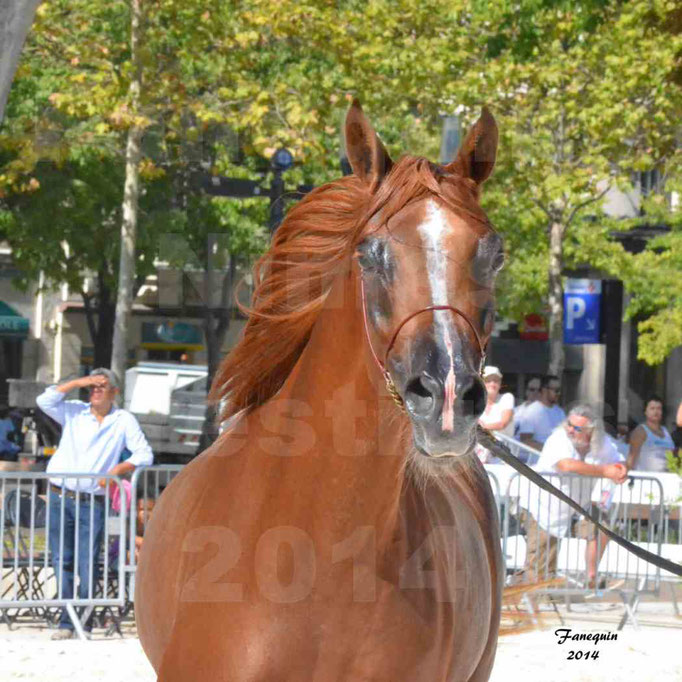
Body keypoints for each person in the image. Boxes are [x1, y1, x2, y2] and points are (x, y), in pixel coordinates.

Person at [36, 368, 153, 639]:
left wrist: (115, 471)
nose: (95, 391)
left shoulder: (123, 419)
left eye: (101, 387)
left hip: (93, 500)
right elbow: (44, 401)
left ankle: (83, 620)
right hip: (59, 495)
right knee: (61, 559)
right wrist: (78, 381)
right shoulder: (74, 410)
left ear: (115, 392)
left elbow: (144, 453)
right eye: (92, 387)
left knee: (87, 562)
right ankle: (67, 620)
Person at [516, 404, 628, 587]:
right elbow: (566, 465)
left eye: (577, 428)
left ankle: (591, 578)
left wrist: (621, 469)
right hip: (542, 506)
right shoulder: (558, 438)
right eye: (569, 424)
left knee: (601, 526)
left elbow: (618, 460)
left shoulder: (601, 442)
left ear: (590, 431)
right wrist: (605, 471)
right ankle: (529, 602)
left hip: (575, 505)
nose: (570, 429)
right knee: (540, 563)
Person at [476, 366, 514, 464]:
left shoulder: (507, 398)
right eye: (488, 381)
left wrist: (482, 427)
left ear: (500, 384)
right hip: (479, 453)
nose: (492, 384)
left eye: (496, 381)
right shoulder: (474, 402)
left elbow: (503, 423)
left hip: (502, 456)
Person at [626, 395, 675, 472]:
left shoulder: (666, 431)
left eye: (659, 408)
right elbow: (631, 459)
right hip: (648, 479)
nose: (656, 412)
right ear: (645, 411)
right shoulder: (640, 431)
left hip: (667, 478)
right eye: (652, 408)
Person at [518, 374, 566, 451]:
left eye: (559, 390)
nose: (558, 393)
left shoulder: (560, 412)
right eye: (556, 390)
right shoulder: (532, 411)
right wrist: (550, 450)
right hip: (538, 459)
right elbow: (525, 440)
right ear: (544, 390)